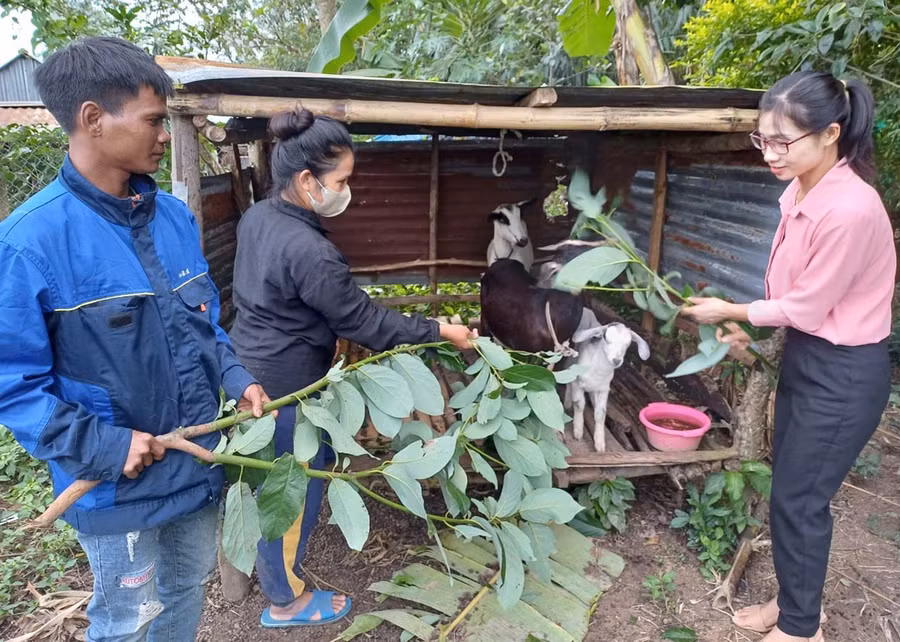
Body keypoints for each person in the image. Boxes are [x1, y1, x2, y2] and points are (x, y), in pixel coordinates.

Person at [0, 37, 272, 641]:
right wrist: (103, 444)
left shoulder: (173, 217)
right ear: (94, 119)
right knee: (126, 619)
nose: (164, 135)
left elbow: (203, 327)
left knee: (184, 595)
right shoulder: (29, 242)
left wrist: (237, 377)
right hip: (114, 487)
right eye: (153, 120)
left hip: (196, 464)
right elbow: (12, 386)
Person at [230, 108, 474, 627]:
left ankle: (275, 577)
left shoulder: (259, 217)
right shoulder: (309, 249)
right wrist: (439, 331)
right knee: (292, 497)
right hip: (286, 393)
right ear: (306, 180)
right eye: (341, 181)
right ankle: (284, 602)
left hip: (249, 368)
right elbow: (365, 322)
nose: (348, 191)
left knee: (270, 490)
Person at [681, 71, 894, 642]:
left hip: (843, 373)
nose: (770, 153)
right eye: (762, 139)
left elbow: (810, 304)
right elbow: (795, 300)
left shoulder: (849, 209)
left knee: (800, 500)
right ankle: (799, 607)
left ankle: (802, 632)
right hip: (809, 353)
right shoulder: (801, 190)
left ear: (830, 134)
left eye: (783, 141)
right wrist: (754, 333)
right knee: (793, 494)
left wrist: (736, 310)